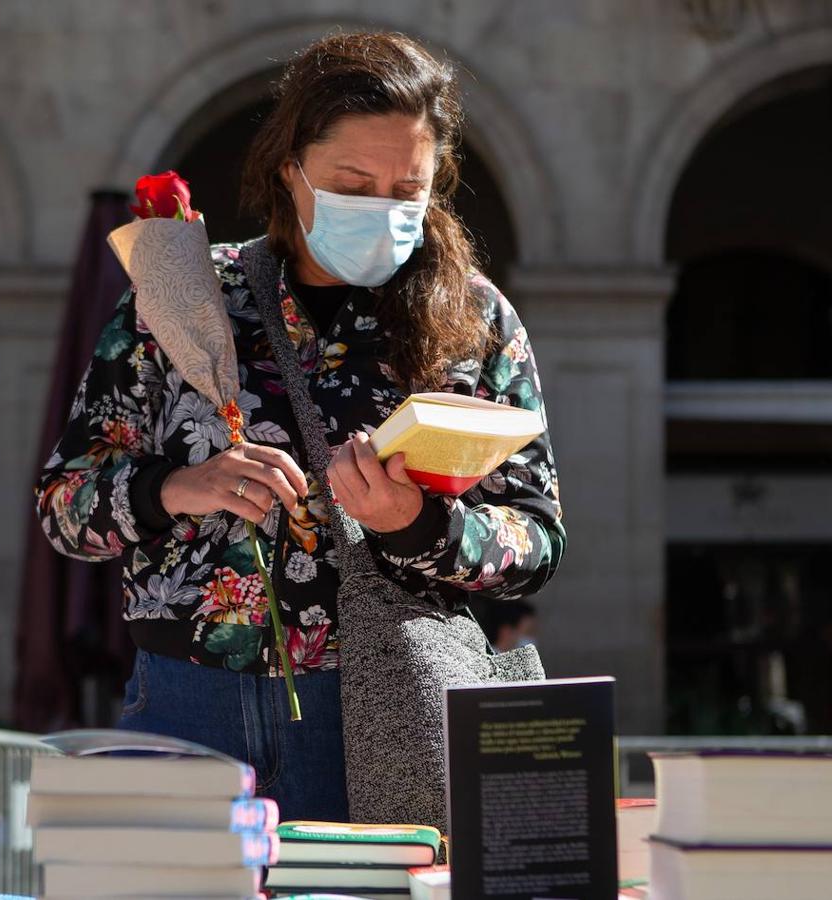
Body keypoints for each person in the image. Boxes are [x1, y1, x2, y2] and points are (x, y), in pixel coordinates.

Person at [36, 31, 565, 820]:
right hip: (190, 700)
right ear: (291, 170)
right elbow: (63, 509)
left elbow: (536, 540)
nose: (384, 208)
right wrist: (175, 487)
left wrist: (414, 525)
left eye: (407, 189)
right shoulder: (185, 296)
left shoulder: (474, 318)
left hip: (384, 705)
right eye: (354, 182)